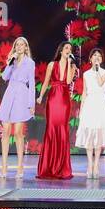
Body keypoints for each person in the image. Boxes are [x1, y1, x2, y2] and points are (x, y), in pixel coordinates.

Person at [0, 36, 35, 178]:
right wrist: (9, 64)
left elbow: (31, 85)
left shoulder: (30, 63)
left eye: (22, 45)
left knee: (18, 132)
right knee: (5, 131)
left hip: (22, 95)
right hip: (10, 93)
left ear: (26, 47)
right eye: (17, 45)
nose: (19, 47)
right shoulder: (11, 60)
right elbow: (4, 77)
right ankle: (4, 166)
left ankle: (20, 166)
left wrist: (31, 104)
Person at [36, 42, 76, 180]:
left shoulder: (71, 65)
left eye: (70, 49)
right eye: (66, 48)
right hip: (53, 98)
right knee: (52, 129)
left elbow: (69, 81)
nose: (68, 50)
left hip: (64, 100)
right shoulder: (52, 65)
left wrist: (71, 65)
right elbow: (46, 81)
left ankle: (61, 167)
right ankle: (49, 166)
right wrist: (41, 96)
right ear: (60, 50)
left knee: (62, 129)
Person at [75, 48, 105, 179]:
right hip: (90, 104)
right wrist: (81, 108)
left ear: (101, 59)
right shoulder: (85, 74)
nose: (97, 58)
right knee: (89, 135)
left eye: (99, 56)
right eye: (94, 56)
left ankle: (97, 164)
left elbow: (99, 82)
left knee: (98, 134)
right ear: (90, 59)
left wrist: (97, 70)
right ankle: (90, 165)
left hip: (101, 103)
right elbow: (84, 92)